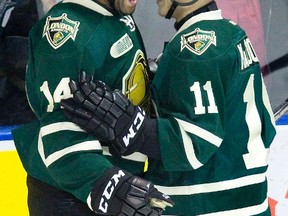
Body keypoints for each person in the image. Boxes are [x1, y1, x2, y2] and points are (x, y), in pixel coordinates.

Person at [61, 0, 277, 215]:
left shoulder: (196, 48)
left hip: (209, 205)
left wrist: (133, 127)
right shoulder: (229, 33)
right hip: (246, 203)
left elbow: (193, 143)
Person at [12, 0, 174, 215]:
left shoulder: (115, 13)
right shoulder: (68, 31)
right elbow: (60, 137)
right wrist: (107, 186)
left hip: (112, 179)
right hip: (70, 194)